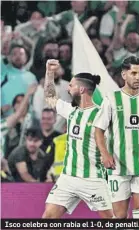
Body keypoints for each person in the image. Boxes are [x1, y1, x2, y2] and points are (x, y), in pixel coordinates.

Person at [94, 56, 139, 229]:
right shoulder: (111, 99)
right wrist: (105, 154)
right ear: (124, 74)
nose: (138, 77)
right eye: (133, 73)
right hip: (118, 165)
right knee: (119, 217)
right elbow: (98, 129)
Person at [42, 59, 114, 219]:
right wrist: (49, 73)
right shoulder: (71, 111)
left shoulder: (101, 114)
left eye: (71, 85)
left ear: (81, 89)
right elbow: (50, 97)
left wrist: (108, 155)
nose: (68, 88)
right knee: (48, 219)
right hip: (68, 178)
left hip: (93, 179)